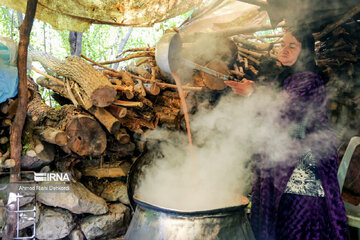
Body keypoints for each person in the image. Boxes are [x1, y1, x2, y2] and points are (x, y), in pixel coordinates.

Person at [225, 29, 348, 240]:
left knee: (299, 219)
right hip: (283, 156)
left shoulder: (309, 79)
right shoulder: (285, 77)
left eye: (293, 46)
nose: (285, 49)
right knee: (281, 217)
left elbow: (288, 112)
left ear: (306, 52)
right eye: (283, 44)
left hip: (304, 162)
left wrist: (253, 93)